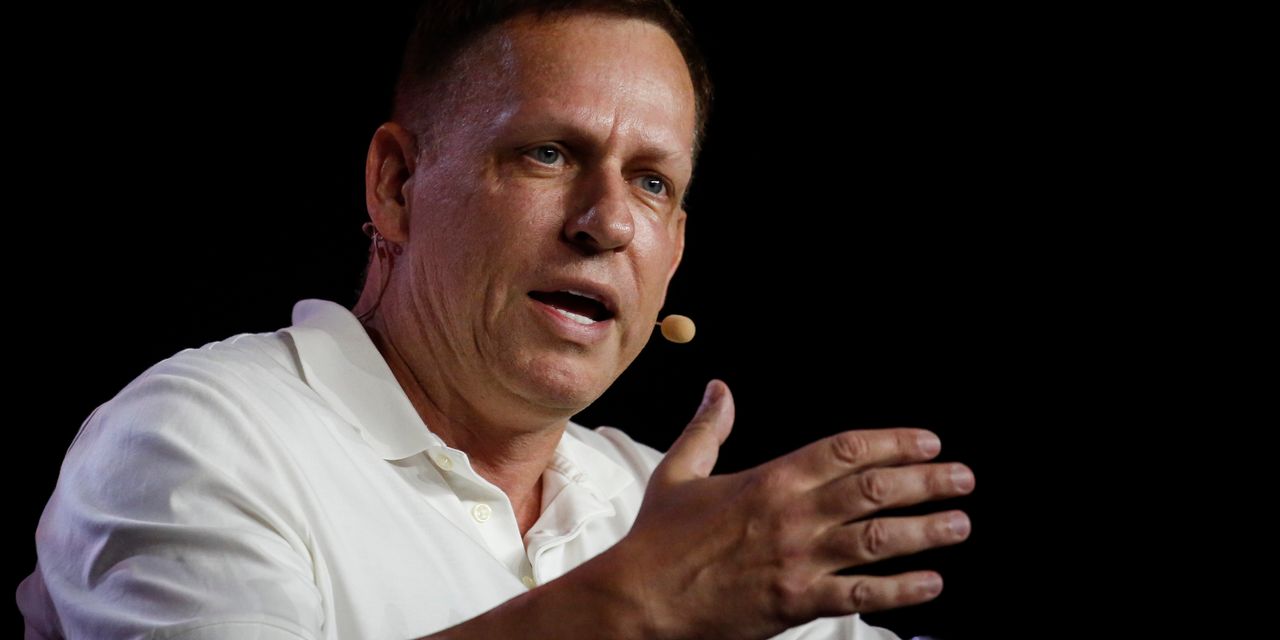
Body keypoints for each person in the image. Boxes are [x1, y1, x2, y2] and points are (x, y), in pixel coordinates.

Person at [16, 1, 975, 638]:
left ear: (676, 249)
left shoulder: (668, 512)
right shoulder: (197, 437)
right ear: (397, 186)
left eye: (652, 181)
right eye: (548, 154)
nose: (607, 223)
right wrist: (630, 609)